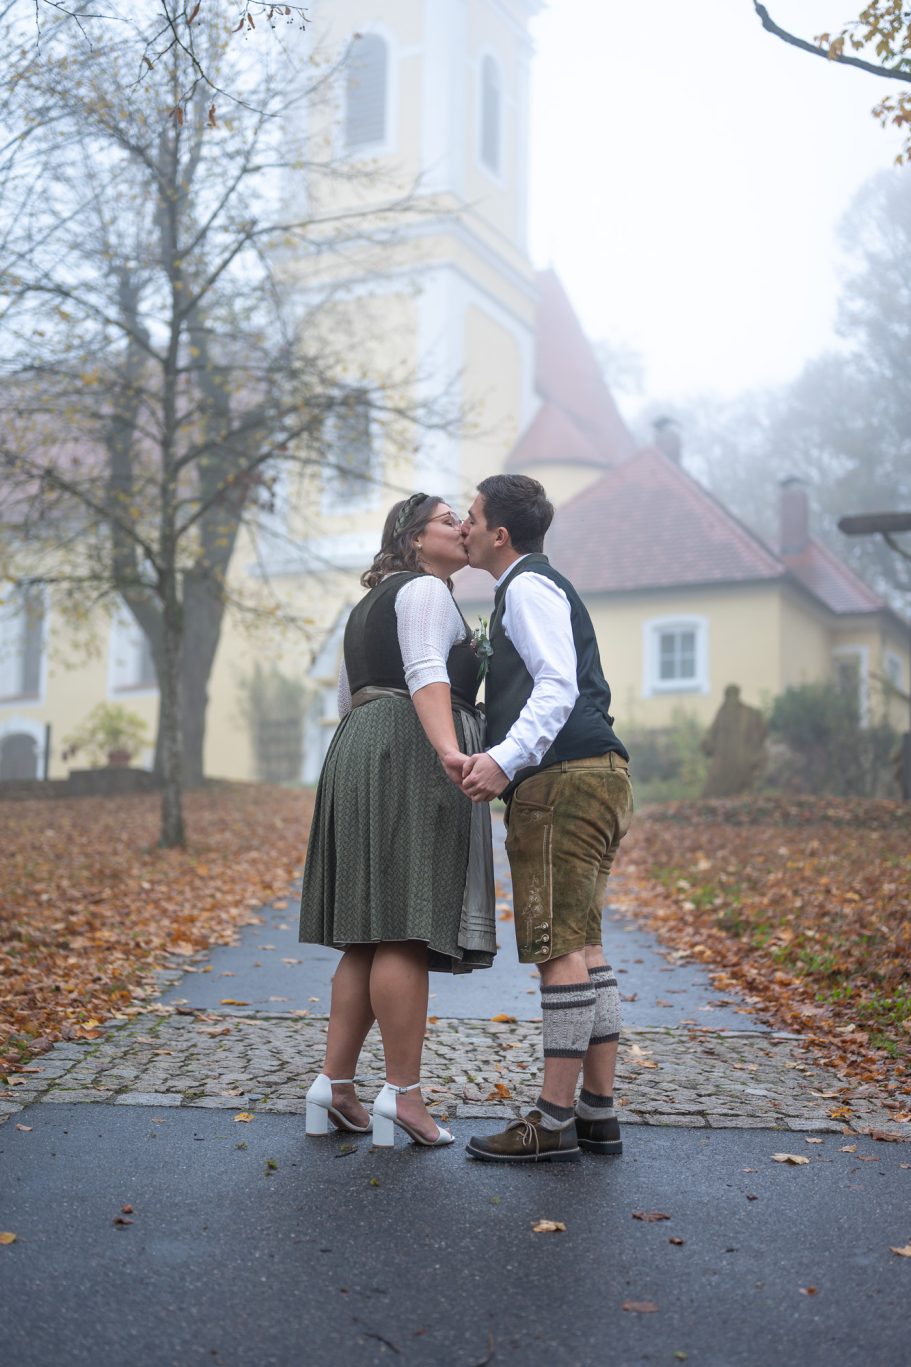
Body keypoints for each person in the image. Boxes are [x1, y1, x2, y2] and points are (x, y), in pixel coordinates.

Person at [299, 492, 496, 1149]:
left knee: (366, 932)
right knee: (405, 927)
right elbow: (422, 671)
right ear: (414, 539)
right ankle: (404, 1097)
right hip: (408, 747)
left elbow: (344, 694)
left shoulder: (365, 605)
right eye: (449, 521)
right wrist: (450, 750)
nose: (463, 528)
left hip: (358, 745)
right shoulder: (425, 592)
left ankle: (335, 1084)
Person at [459, 474, 633, 1164]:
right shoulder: (540, 582)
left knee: (558, 947)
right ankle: (597, 1112)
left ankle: (552, 1119)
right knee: (585, 947)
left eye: (471, 516)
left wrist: (504, 758)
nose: (466, 526)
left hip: (559, 779)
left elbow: (556, 682)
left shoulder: (526, 587)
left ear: (499, 533)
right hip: (599, 774)